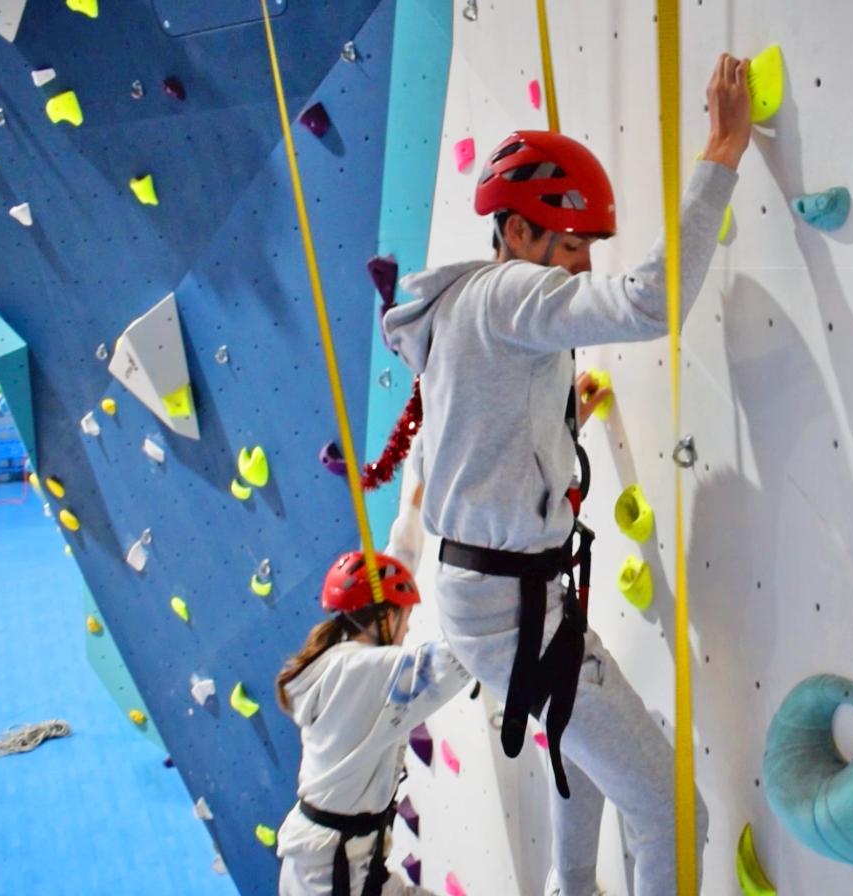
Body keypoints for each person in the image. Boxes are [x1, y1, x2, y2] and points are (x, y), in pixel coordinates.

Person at [379, 54, 753, 896]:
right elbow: (648, 306)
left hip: (497, 595)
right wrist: (722, 153)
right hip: (513, 609)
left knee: (582, 763)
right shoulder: (511, 292)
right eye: (572, 243)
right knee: (669, 811)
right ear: (518, 233)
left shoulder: (470, 304)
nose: (581, 263)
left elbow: (465, 432)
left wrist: (559, 424)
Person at [275, 549, 474, 896]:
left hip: (335, 864)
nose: (409, 626)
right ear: (384, 617)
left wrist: (411, 513)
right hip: (335, 875)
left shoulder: (339, 662)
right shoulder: (362, 673)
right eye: (405, 615)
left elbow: (393, 566)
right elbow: (453, 660)